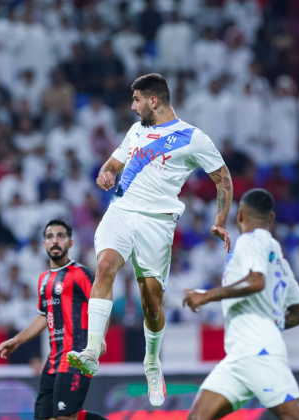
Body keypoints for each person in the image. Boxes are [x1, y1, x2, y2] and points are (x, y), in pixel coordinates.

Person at [66, 73, 233, 407]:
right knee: (104, 266)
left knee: (151, 305)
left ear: (153, 101)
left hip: (157, 224)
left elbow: (223, 179)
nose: (132, 106)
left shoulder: (192, 138)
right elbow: (114, 161)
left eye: (136, 99)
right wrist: (106, 172)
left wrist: (220, 221)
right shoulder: (136, 130)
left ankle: (152, 362)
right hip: (121, 211)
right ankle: (92, 350)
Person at [182, 189, 299, 420]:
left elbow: (256, 281)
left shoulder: (251, 239)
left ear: (239, 215)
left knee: (294, 416)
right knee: (198, 417)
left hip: (257, 348)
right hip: (239, 354)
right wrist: (271, 324)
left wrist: (206, 295)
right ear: (271, 218)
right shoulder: (281, 262)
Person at [0, 220, 108, 420]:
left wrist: (100, 337)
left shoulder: (81, 274)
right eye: (50, 237)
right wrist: (16, 341)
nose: (55, 240)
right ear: (44, 244)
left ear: (70, 243)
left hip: (76, 357)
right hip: (53, 359)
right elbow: (44, 316)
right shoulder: (43, 279)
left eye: (60, 236)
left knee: (64, 417)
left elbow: (101, 306)